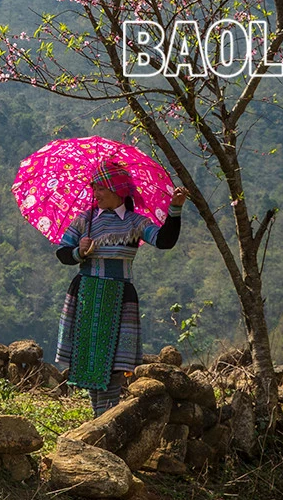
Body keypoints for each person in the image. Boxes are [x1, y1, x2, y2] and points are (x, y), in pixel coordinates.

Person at [55, 159, 187, 416]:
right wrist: (78, 252)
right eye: (95, 188)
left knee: (115, 365)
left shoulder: (135, 223)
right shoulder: (84, 221)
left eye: (101, 188)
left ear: (118, 189)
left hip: (119, 297)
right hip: (87, 295)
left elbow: (164, 241)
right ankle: (100, 418)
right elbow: (62, 253)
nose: (96, 193)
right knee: (87, 360)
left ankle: (105, 418)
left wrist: (175, 210)